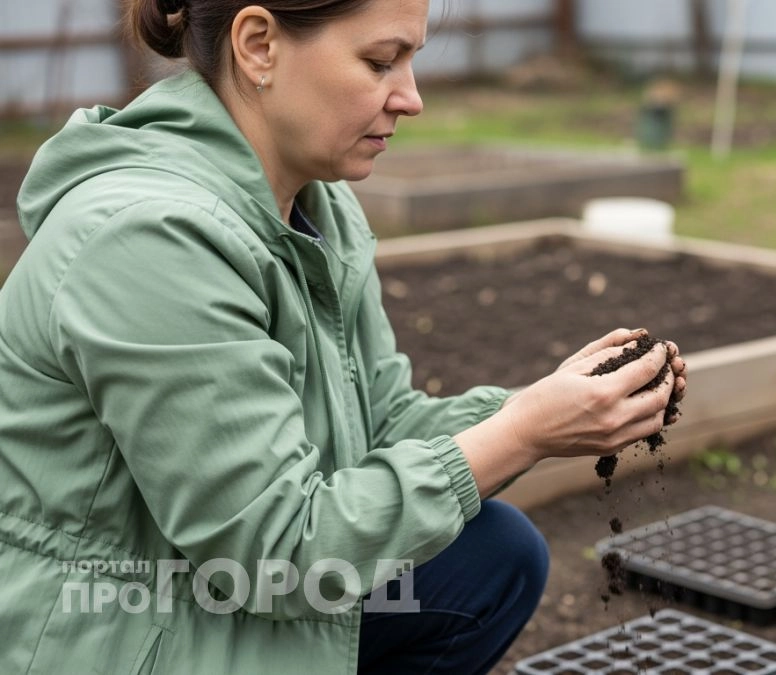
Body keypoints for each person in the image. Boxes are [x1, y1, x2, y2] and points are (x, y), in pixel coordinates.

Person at [0, 0, 687, 673]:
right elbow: (280, 551)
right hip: (110, 622)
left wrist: (538, 406)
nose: (411, 98)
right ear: (259, 45)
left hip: (210, 578)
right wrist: (524, 433)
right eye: (381, 61)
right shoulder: (150, 239)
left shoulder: (315, 208)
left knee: (493, 554)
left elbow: (381, 426)